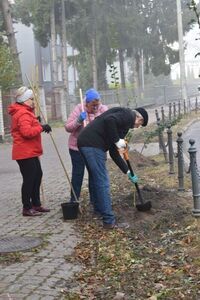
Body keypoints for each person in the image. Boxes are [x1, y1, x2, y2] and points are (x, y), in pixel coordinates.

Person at [77, 106, 149, 229]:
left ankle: (99, 210)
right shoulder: (128, 114)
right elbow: (109, 120)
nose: (137, 127)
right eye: (140, 124)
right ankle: (109, 221)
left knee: (95, 179)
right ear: (139, 117)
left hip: (87, 142)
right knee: (102, 182)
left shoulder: (123, 127)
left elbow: (114, 153)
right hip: (92, 144)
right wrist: (117, 140)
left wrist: (127, 172)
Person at [8, 86, 52, 217]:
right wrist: (41, 127)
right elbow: (27, 132)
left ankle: (36, 204)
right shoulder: (22, 113)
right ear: (25, 100)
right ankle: (27, 207)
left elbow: (28, 125)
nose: (34, 101)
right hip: (24, 152)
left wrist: (36, 122)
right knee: (29, 179)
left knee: (37, 175)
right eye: (32, 99)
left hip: (30, 151)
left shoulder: (26, 112)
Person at [65, 88, 108, 203]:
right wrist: (79, 120)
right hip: (77, 148)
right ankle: (74, 201)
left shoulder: (103, 110)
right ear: (86, 103)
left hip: (95, 148)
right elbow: (68, 127)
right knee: (78, 174)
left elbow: (108, 128)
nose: (95, 108)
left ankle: (95, 202)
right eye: (92, 105)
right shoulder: (80, 108)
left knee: (94, 175)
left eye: (97, 105)